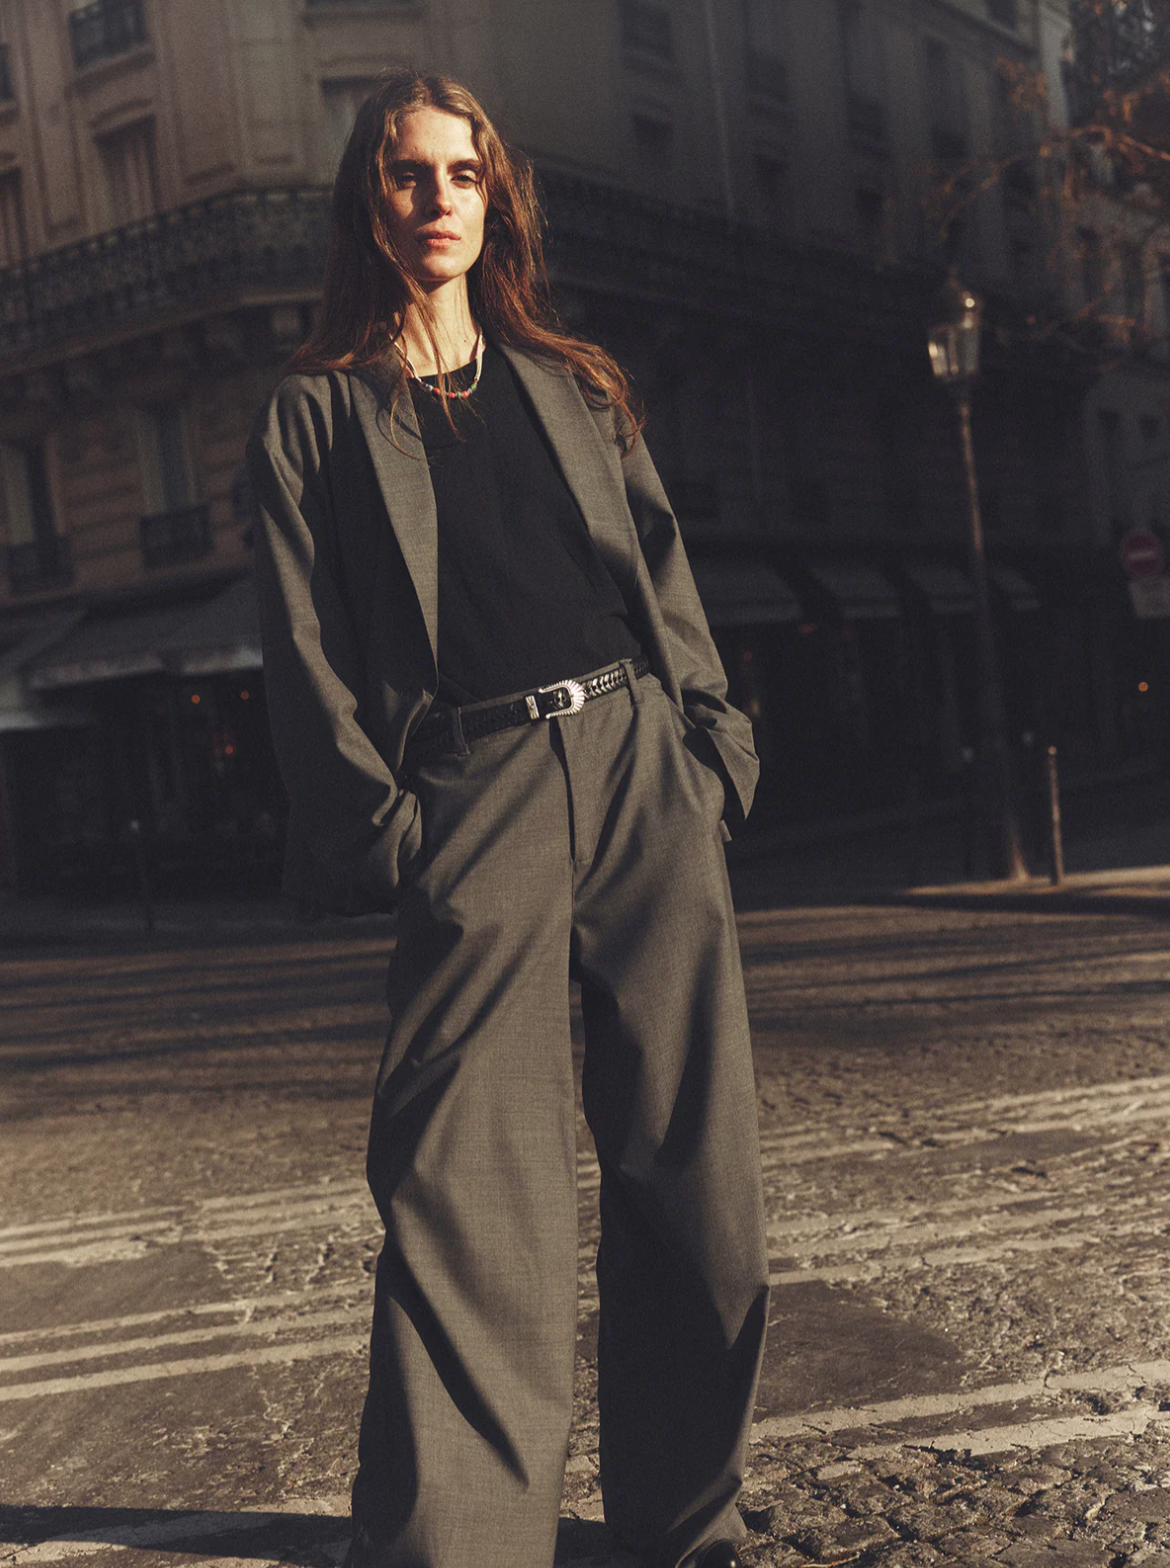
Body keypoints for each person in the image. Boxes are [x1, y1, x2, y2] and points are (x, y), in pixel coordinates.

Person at [246, 68, 769, 1568]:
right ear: (368, 195)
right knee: (462, 1184)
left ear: (496, 196)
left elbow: (657, 579)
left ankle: (689, 1519)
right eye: (408, 175)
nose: (436, 202)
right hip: (471, 794)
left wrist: (708, 751)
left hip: (635, 766)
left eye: (461, 174)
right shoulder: (314, 418)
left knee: (696, 1174)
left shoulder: (573, 385)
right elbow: (303, 649)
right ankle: (460, 1543)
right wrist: (388, 828)